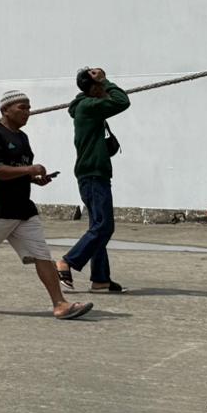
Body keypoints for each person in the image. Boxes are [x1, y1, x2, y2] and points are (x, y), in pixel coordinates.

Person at [0, 91, 94, 320]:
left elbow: (18, 169)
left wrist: (35, 179)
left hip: (23, 210)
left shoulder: (22, 138)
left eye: (29, 107)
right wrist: (30, 170)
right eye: (22, 107)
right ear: (5, 110)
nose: (27, 112)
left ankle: (60, 304)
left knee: (42, 254)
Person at [56, 68, 131, 294]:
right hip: (93, 174)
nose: (104, 90)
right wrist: (106, 81)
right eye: (100, 86)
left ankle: (100, 279)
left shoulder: (86, 107)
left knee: (97, 226)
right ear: (94, 88)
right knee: (104, 226)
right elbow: (122, 101)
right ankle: (67, 262)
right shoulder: (89, 106)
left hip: (92, 173)